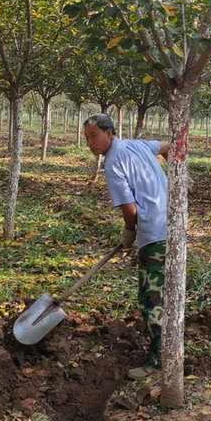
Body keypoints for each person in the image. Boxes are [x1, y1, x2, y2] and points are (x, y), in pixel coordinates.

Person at [83, 114, 170, 378]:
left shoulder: (112, 163)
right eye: (87, 138)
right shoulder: (139, 145)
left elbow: (129, 209)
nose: (90, 143)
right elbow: (169, 146)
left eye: (94, 136)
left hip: (154, 234)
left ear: (109, 133)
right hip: (172, 226)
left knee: (152, 296)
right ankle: (166, 353)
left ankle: (159, 362)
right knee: (160, 293)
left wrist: (129, 231)